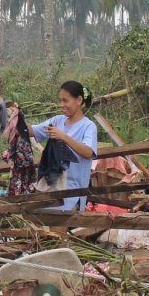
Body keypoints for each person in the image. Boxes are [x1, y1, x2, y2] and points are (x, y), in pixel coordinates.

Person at [29, 81, 98, 211]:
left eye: (65, 101)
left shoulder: (88, 126)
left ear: (78, 100)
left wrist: (64, 137)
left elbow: (88, 152)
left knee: (57, 229)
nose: (62, 105)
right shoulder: (57, 121)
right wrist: (17, 116)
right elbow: (33, 131)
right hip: (51, 189)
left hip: (72, 192)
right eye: (60, 101)